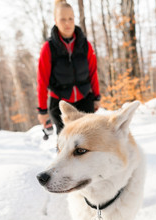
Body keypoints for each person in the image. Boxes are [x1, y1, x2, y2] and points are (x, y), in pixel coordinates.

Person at [36, 0, 100, 134]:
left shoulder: (85, 45)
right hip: (60, 102)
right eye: (63, 19)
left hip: (84, 99)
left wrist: (96, 97)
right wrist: (42, 110)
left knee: (88, 140)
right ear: (55, 20)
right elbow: (42, 81)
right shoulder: (48, 48)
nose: (67, 23)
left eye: (71, 18)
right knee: (66, 142)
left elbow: (93, 72)